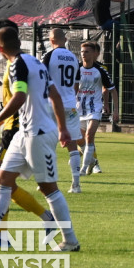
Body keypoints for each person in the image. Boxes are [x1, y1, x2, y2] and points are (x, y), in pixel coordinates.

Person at [0, 27, 79, 251]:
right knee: (2, 179)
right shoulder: (36, 62)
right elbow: (55, 95)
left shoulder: (16, 65)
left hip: (38, 133)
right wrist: (62, 129)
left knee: (48, 188)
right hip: (26, 132)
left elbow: (20, 96)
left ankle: (70, 240)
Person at [42, 28, 83, 193]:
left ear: (51, 40)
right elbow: (76, 84)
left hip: (52, 104)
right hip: (70, 104)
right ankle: (76, 184)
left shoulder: (49, 56)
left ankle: (48, 183)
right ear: (64, 39)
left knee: (47, 144)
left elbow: (41, 78)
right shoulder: (73, 58)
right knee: (72, 145)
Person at [75, 42, 117, 177]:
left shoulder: (100, 70)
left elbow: (112, 90)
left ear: (94, 54)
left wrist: (115, 109)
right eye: (82, 51)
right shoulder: (76, 69)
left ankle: (84, 168)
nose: (83, 54)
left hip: (95, 108)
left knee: (89, 136)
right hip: (79, 109)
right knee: (78, 140)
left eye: (87, 51)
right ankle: (93, 161)